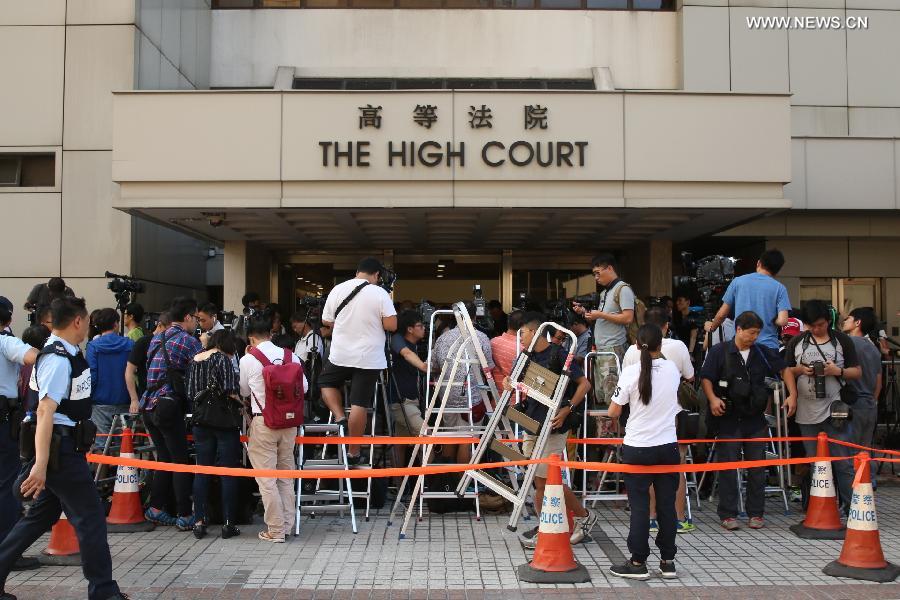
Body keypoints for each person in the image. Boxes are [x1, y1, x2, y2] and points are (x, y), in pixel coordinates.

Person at [0, 296, 126, 600]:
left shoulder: (66, 354)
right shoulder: (57, 358)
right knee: (91, 518)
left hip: (60, 447)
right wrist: (41, 465)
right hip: (60, 449)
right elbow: (45, 411)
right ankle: (104, 591)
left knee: (38, 518)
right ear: (77, 321)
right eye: (86, 321)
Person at [504, 312, 596, 550]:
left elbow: (584, 384)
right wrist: (507, 382)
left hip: (554, 426)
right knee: (539, 482)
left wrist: (568, 408)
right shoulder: (525, 357)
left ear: (535, 332)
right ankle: (547, 525)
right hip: (532, 423)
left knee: (547, 481)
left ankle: (583, 517)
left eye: (522, 333)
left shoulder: (558, 353)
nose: (519, 338)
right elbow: (513, 380)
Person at [702, 311, 797, 530]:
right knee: (728, 466)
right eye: (751, 333)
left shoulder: (762, 352)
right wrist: (713, 399)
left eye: (757, 333)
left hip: (755, 419)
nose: (754, 337)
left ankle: (756, 513)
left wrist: (792, 394)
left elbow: (785, 370)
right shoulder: (720, 351)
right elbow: (706, 377)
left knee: (757, 466)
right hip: (728, 418)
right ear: (738, 329)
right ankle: (728, 514)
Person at [607, 323, 681, 580]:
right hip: (668, 446)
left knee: (639, 507)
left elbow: (613, 412)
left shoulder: (630, 372)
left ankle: (638, 561)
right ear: (662, 344)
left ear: (637, 345)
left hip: (638, 446)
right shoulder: (672, 369)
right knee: (666, 506)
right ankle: (668, 561)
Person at [623, 307, 695, 533]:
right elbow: (690, 377)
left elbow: (622, 392)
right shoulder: (678, 351)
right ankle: (679, 518)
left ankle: (651, 518)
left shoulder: (630, 355)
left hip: (639, 428)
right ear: (665, 328)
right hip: (671, 422)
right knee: (676, 469)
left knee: (645, 475)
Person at [319, 258, 397, 463]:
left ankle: (339, 417)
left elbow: (326, 321)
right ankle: (354, 452)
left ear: (358, 271)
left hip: (341, 354)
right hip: (369, 357)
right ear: (377, 275)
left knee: (325, 382)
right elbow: (391, 325)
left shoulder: (338, 289)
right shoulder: (380, 293)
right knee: (359, 403)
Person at [785, 299, 861, 508]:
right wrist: (797, 381)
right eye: (812, 325)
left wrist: (838, 371)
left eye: (821, 324)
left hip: (835, 408)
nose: (816, 329)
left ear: (828, 321)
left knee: (842, 461)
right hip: (806, 411)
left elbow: (857, 372)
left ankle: (849, 507)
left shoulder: (842, 341)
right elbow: (787, 371)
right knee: (814, 462)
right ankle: (817, 508)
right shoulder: (798, 342)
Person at [240, 315, 307, 543]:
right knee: (286, 477)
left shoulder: (249, 359)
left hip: (264, 422)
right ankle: (287, 527)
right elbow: (304, 387)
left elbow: (244, 392)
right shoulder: (292, 356)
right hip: (289, 424)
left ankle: (275, 531)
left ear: (251, 337)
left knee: (267, 479)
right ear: (271, 333)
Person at [140, 297, 202, 530]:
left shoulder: (158, 337)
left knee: (164, 459)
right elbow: (201, 370)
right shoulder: (189, 341)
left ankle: (156, 508)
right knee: (180, 461)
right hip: (168, 406)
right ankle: (185, 514)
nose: (197, 322)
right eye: (196, 317)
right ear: (187, 317)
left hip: (149, 405)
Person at [186, 329, 242, 541]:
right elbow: (230, 389)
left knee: (202, 469)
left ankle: (199, 521)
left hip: (200, 420)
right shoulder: (222, 359)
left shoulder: (194, 360)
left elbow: (191, 393)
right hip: (223, 421)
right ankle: (228, 523)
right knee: (228, 471)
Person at [0, 306, 40, 572]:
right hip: (3, 419)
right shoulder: (6, 340)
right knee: (5, 484)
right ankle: (7, 549)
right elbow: (33, 356)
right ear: (9, 318)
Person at [431, 303, 495, 463]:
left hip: (447, 395)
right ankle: (462, 483)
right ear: (474, 316)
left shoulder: (443, 337)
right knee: (467, 440)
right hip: (471, 396)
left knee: (449, 437)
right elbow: (487, 368)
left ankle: (449, 480)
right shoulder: (480, 337)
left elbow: (433, 366)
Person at [572, 253, 635, 407]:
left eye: (598, 273)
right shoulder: (604, 293)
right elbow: (602, 319)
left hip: (613, 348)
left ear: (610, 268)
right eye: (594, 274)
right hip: (601, 349)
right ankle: (607, 430)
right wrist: (584, 313)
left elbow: (628, 317)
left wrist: (600, 314)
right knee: (601, 394)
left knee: (613, 394)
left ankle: (615, 429)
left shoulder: (623, 289)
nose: (596, 278)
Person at [704, 249, 791, 351]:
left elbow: (722, 314)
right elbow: (783, 321)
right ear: (777, 271)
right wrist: (772, 318)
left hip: (741, 345)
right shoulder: (780, 288)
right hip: (768, 347)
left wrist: (712, 327)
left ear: (759, 263)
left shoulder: (738, 282)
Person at [85, 308, 134, 442]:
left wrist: (90, 397)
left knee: (101, 444)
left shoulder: (93, 346)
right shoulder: (130, 344)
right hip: (125, 400)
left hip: (100, 402)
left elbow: (92, 374)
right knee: (123, 445)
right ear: (116, 324)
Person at [841, 307, 883, 451]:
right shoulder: (874, 349)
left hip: (852, 405)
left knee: (849, 453)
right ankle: (868, 475)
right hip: (870, 405)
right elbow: (879, 381)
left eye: (848, 318)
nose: (844, 321)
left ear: (857, 322)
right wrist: (873, 400)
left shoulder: (846, 343)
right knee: (864, 452)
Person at [389, 311, 427, 437]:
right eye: (420, 326)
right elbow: (407, 354)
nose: (424, 328)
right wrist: (423, 366)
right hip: (402, 402)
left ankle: (398, 458)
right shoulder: (397, 339)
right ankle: (429, 457)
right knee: (426, 434)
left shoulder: (413, 345)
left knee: (400, 444)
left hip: (409, 400)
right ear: (410, 329)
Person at [125, 312, 170, 414]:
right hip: (146, 397)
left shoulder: (172, 342)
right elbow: (129, 370)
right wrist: (134, 399)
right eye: (168, 330)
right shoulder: (143, 342)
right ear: (159, 325)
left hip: (167, 398)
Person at [490, 310, 523, 391]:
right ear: (523, 326)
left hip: (495, 395)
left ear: (508, 323)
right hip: (516, 397)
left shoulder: (492, 342)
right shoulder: (522, 348)